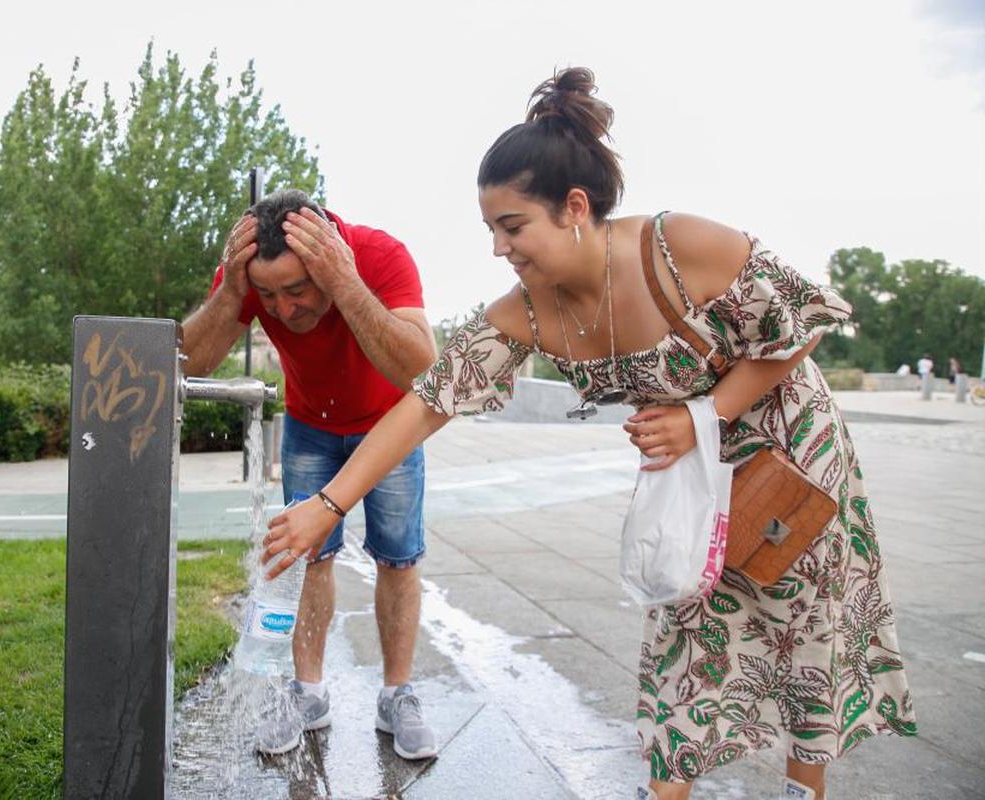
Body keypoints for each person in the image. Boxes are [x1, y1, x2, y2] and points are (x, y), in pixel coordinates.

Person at [261, 69, 916, 799]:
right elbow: (427, 401)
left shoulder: (677, 247)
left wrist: (707, 415)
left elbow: (803, 323)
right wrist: (331, 502)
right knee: (681, 645)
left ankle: (804, 788)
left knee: (802, 640)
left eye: (513, 227)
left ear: (574, 207)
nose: (501, 248)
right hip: (687, 474)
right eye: (491, 231)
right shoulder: (527, 310)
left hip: (787, 456)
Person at [176, 189, 440, 760]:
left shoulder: (377, 256)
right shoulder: (250, 273)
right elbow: (186, 363)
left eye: (298, 290)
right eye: (270, 296)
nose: (286, 311)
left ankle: (397, 693)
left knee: (398, 556)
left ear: (332, 255)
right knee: (305, 556)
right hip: (308, 426)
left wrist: (344, 283)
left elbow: (423, 369)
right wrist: (231, 294)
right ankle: (308, 693)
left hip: (390, 425)